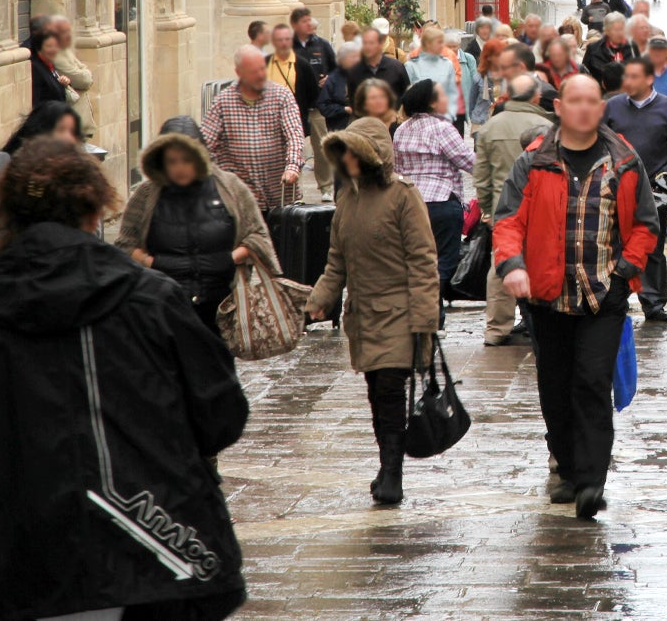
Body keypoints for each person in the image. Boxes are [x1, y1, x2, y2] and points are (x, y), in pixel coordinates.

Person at [0, 136, 249, 620]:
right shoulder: (153, 300)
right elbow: (221, 415)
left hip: (21, 559)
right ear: (94, 209)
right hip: (154, 548)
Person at [493, 75, 661, 520]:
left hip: (602, 295)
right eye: (576, 101)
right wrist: (512, 266)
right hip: (546, 298)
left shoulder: (624, 161)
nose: (584, 109)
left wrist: (625, 273)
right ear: (560, 107)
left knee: (591, 383)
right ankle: (566, 467)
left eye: (592, 101)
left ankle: (591, 480)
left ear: (600, 109)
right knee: (555, 387)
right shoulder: (533, 162)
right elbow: (508, 221)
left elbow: (646, 225)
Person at [306, 118, 438, 506]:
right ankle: (386, 463)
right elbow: (336, 260)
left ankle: (394, 472)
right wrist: (319, 299)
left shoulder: (403, 196)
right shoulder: (346, 199)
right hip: (363, 315)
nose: (345, 159)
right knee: (375, 393)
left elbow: (423, 260)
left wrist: (425, 320)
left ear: (369, 154)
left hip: (399, 312)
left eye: (351, 151)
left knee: (390, 389)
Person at [117, 122, 279, 335]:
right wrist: (151, 262)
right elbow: (125, 244)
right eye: (172, 161)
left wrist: (230, 259)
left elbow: (257, 235)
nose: (179, 168)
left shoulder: (229, 187)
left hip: (221, 305)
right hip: (164, 306)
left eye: (186, 160)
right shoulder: (147, 194)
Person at [473, 74, 553, 346]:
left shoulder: (490, 127)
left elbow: (481, 177)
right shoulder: (548, 125)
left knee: (500, 266)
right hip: (542, 208)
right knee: (541, 260)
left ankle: (497, 328)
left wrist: (487, 208)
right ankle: (538, 321)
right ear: (536, 97)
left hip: (502, 208)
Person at [604, 56, 667, 324]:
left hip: (654, 187)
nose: (627, 82)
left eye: (633, 77)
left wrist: (666, 172)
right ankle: (616, 296)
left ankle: (653, 302)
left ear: (649, 79)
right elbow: (601, 141)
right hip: (617, 186)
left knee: (652, 244)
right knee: (614, 242)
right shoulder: (612, 107)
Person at [394, 80, 475, 326]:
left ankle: (423, 312)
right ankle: (431, 314)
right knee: (442, 262)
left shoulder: (402, 129)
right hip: (441, 202)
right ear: (431, 102)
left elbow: (398, 168)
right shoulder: (442, 128)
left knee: (418, 260)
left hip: (410, 203)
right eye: (442, 94)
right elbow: (468, 161)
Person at [202, 45, 305, 211]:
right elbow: (205, 145)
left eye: (262, 69)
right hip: (240, 200)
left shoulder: (282, 96)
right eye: (253, 71)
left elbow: (294, 135)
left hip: (279, 197)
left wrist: (292, 166)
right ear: (239, 73)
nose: (260, 75)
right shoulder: (223, 102)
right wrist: (218, 178)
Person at [0, 101, 81, 235]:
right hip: (15, 250)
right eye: (61, 130)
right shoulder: (4, 162)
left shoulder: (78, 169)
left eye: (72, 131)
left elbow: (93, 226)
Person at [269, 25, 321, 196]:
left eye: (286, 39)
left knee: (292, 155)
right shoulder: (265, 63)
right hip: (268, 122)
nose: (283, 43)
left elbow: (313, 91)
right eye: (279, 40)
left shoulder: (302, 65)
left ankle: (289, 194)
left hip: (294, 119)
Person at [291, 8, 338, 200]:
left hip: (318, 105)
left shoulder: (323, 45)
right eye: (304, 21)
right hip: (296, 105)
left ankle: (326, 186)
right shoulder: (288, 47)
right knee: (294, 146)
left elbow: (336, 70)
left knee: (321, 146)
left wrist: (328, 80)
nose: (309, 25)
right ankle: (295, 188)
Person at [47, 16, 97, 139]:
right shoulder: (57, 56)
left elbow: (85, 70)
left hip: (80, 121)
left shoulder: (65, 52)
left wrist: (84, 73)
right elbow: (84, 80)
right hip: (72, 119)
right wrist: (84, 74)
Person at [406, 24, 463, 126]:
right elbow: (407, 96)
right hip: (418, 121)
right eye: (439, 42)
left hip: (443, 120)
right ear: (428, 43)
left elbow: (452, 93)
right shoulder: (411, 66)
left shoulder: (447, 64)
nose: (443, 46)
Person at [346, 27, 411, 99]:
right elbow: (352, 100)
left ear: (380, 45)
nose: (368, 47)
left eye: (371, 43)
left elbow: (407, 96)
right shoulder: (355, 71)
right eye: (365, 43)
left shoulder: (397, 68)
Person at [582, 12, 640, 86]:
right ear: (607, 31)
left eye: (622, 29)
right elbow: (584, 74)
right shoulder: (594, 48)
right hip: (602, 93)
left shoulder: (632, 47)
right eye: (616, 30)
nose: (620, 33)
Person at [317, 41, 362, 133]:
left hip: (361, 128)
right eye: (353, 57)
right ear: (343, 59)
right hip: (339, 129)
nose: (357, 60)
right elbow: (323, 106)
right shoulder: (333, 79)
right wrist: (344, 109)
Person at [29, 28, 70, 107]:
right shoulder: (35, 68)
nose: (53, 50)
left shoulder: (49, 64)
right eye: (49, 46)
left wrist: (64, 83)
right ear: (39, 48)